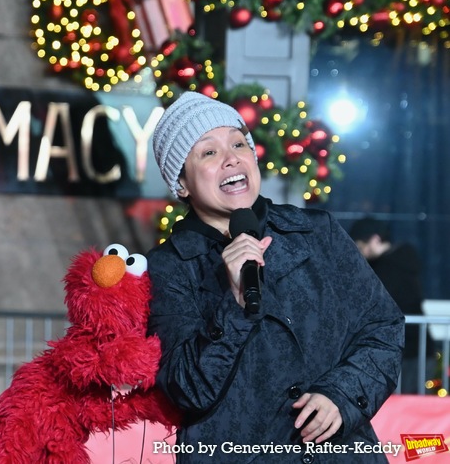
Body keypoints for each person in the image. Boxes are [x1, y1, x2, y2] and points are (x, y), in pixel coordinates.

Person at [146, 92, 404, 463]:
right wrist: (233, 303)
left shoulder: (317, 232)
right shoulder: (168, 267)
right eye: (209, 152)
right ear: (181, 183)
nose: (231, 157)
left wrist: (342, 395)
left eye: (238, 144)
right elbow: (187, 389)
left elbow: (383, 327)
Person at [348, 217, 436, 394]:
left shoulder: (388, 269)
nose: (359, 252)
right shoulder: (401, 261)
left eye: (360, 246)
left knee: (406, 406)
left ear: (375, 239)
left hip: (408, 350)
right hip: (408, 348)